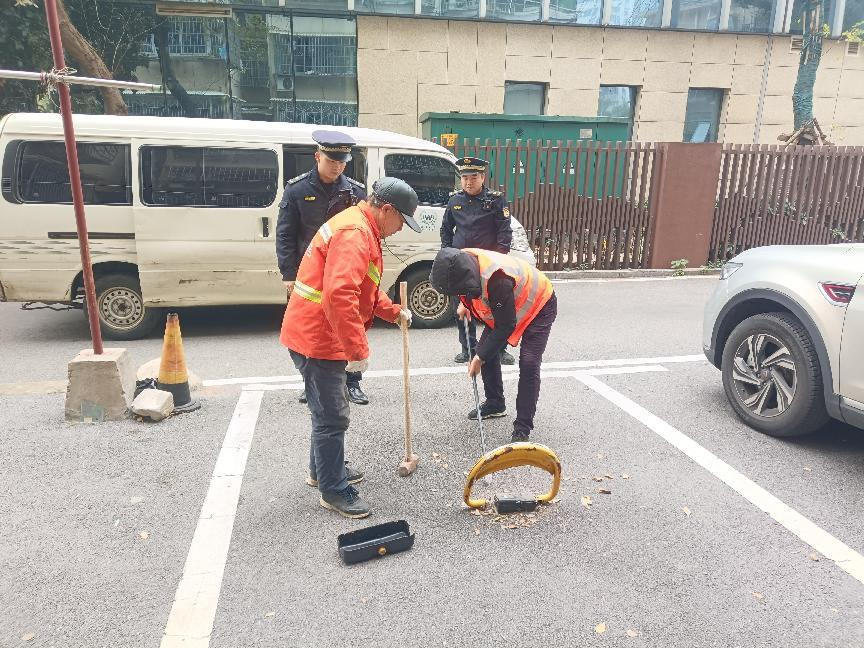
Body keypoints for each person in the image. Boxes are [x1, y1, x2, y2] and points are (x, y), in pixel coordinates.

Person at [280, 177, 420, 518]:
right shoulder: (355, 234)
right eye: (402, 221)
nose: (401, 229)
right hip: (319, 338)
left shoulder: (361, 227)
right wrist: (357, 351)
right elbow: (340, 295)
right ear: (386, 209)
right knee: (332, 416)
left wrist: (393, 311)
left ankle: (323, 471)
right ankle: (333, 489)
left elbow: (364, 289)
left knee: (324, 411)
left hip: (315, 333)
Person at [276, 129, 372, 406]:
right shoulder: (297, 190)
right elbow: (285, 234)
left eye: (342, 161)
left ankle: (352, 382)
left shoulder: (355, 191)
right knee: (309, 329)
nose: (337, 166)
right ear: (317, 156)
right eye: (332, 160)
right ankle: (311, 382)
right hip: (309, 275)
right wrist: (288, 274)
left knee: (349, 322)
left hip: (344, 272)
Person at [430, 246, 557, 443]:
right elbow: (462, 287)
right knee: (486, 348)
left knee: (529, 363)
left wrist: (478, 358)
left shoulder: (496, 279)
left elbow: (505, 326)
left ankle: (522, 427)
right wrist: (464, 303)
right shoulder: (459, 261)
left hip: (539, 303)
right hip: (508, 303)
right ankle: (496, 403)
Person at [440, 156, 515, 367]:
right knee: (462, 307)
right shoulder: (455, 201)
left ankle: (500, 349)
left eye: (473, 177)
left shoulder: (496, 200)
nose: (468, 182)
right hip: (462, 263)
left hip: (488, 265)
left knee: (496, 307)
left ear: (482, 177)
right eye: (464, 177)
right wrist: (449, 253)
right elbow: (446, 229)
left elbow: (504, 232)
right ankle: (468, 349)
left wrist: (498, 260)